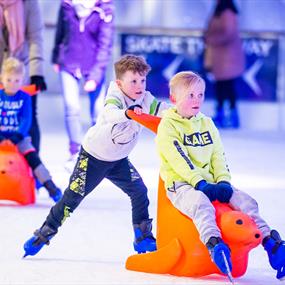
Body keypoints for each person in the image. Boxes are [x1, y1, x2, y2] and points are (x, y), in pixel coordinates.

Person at [23, 54, 171, 257]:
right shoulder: (115, 96)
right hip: (91, 158)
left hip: (118, 161)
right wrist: (128, 113)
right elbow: (110, 113)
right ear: (120, 83)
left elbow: (162, 110)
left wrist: (179, 113)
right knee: (71, 199)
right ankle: (44, 233)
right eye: (134, 81)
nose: (139, 86)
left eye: (143, 80)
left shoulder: (145, 98)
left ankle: (142, 237)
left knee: (139, 191)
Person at [155, 71, 285, 280]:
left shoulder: (206, 123)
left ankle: (271, 243)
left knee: (245, 201)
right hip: (181, 185)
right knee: (200, 204)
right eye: (190, 95)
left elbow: (218, 155)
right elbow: (179, 159)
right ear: (173, 98)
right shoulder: (168, 126)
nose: (197, 100)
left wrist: (223, 181)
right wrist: (200, 183)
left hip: (212, 182)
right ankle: (215, 245)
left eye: (200, 94)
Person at [52, 0, 114, 168]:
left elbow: (105, 45)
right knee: (72, 109)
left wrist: (95, 75)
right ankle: (75, 153)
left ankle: (97, 154)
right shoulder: (66, 5)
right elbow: (60, 31)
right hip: (69, 63)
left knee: (98, 113)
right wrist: (56, 57)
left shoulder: (104, 9)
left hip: (94, 65)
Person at [0, 57, 62, 202]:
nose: (12, 84)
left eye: (17, 80)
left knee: (33, 158)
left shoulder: (25, 97)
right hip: (1, 137)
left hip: (20, 139)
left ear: (22, 80)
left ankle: (50, 186)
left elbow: (26, 120)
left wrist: (17, 137)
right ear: (2, 78)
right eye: (9, 80)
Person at [0, 0, 47, 152]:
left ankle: (33, 167)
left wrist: (36, 74)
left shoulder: (29, 3)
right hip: (2, 69)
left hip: (22, 68)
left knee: (29, 117)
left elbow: (36, 38)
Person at [204, 0, 244, 128]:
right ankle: (222, 115)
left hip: (228, 58)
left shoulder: (227, 13)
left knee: (227, 86)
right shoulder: (218, 13)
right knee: (221, 87)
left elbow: (228, 34)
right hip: (220, 58)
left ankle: (231, 116)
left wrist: (211, 39)